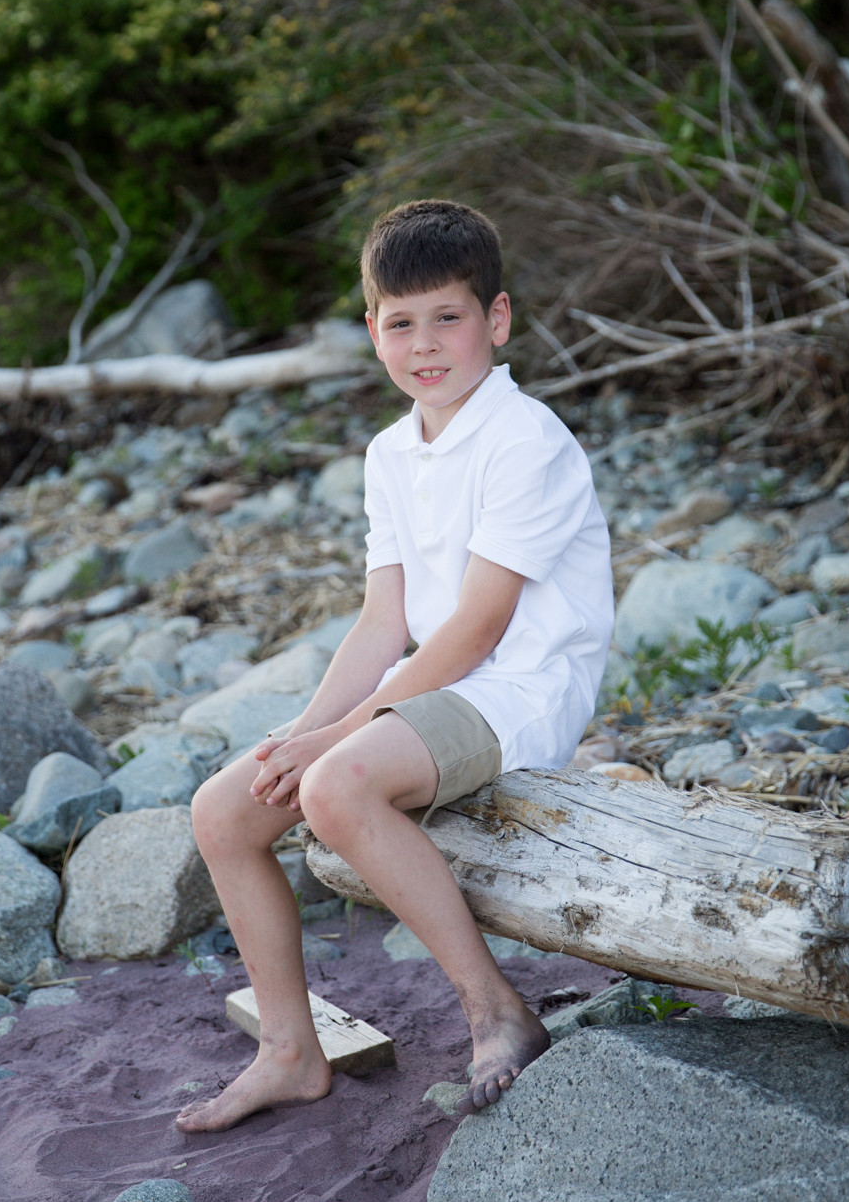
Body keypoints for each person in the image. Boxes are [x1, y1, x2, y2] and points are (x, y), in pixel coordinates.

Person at [177, 199, 613, 1133]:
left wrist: (340, 739)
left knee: (336, 788)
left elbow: (478, 628)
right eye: (401, 322)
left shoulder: (522, 437)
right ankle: (290, 1051)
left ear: (495, 320)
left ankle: (496, 1012)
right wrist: (300, 731)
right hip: (439, 684)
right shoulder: (390, 451)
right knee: (223, 809)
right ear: (372, 328)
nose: (425, 344)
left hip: (519, 689)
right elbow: (384, 622)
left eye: (448, 318)